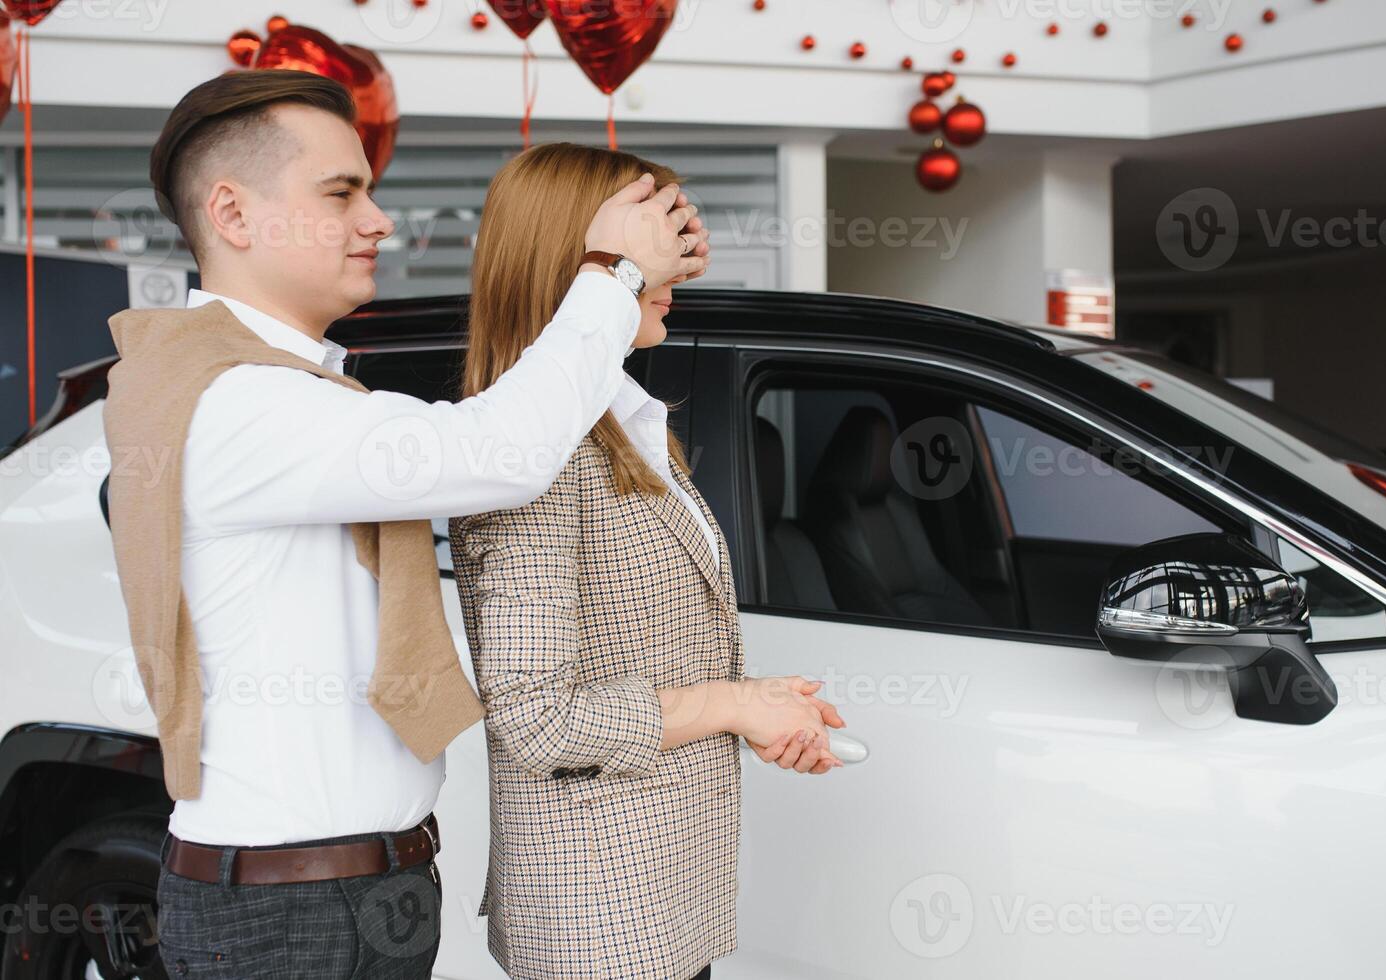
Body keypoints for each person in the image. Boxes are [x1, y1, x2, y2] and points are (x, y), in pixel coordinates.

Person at [102, 70, 708, 977]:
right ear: (232, 214)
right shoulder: (234, 402)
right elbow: (498, 451)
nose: (379, 219)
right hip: (291, 914)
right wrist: (611, 274)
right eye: (341, 192)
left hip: (343, 892)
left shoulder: (280, 390)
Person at [449, 143, 847, 980]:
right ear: (579, 255)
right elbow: (536, 717)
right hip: (597, 917)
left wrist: (759, 703)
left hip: (655, 901)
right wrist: (734, 704)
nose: (676, 263)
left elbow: (644, 650)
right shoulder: (535, 455)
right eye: (650, 235)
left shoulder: (621, 424)